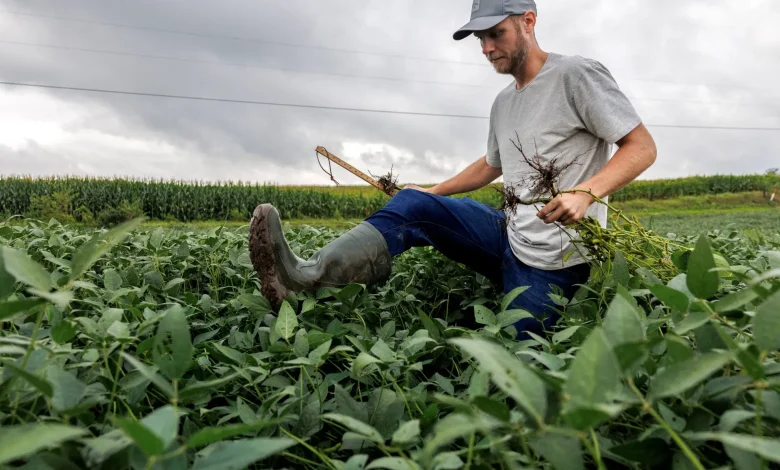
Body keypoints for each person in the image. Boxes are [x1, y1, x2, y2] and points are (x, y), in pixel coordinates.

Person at [249, 0, 657, 339]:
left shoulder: (575, 75)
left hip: (558, 261)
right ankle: (306, 279)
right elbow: (490, 165)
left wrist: (585, 192)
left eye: (496, 33)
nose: (486, 47)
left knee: (521, 356)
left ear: (528, 22)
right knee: (413, 204)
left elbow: (641, 147)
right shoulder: (504, 102)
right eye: (481, 39)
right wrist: (432, 192)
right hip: (507, 235)